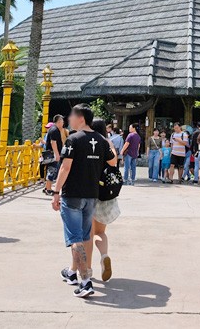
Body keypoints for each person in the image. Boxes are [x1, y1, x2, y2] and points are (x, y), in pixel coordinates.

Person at [52, 104, 115, 299]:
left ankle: (86, 281)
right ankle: (73, 272)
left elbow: (65, 167)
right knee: (85, 236)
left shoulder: (73, 139)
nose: (69, 119)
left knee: (75, 239)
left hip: (73, 196)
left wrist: (55, 191)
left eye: (71, 116)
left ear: (80, 118)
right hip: (91, 196)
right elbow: (113, 162)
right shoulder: (101, 140)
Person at [90, 118, 121, 283]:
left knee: (86, 233)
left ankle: (81, 269)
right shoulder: (108, 143)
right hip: (105, 191)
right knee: (100, 232)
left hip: (87, 190)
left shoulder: (87, 141)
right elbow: (114, 162)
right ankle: (104, 256)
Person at [43, 116, 65, 195]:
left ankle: (47, 187)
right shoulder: (54, 130)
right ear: (58, 121)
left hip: (52, 153)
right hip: (53, 154)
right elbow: (53, 142)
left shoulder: (54, 129)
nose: (63, 123)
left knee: (51, 170)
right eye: (62, 121)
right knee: (52, 170)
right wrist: (57, 154)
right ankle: (48, 189)